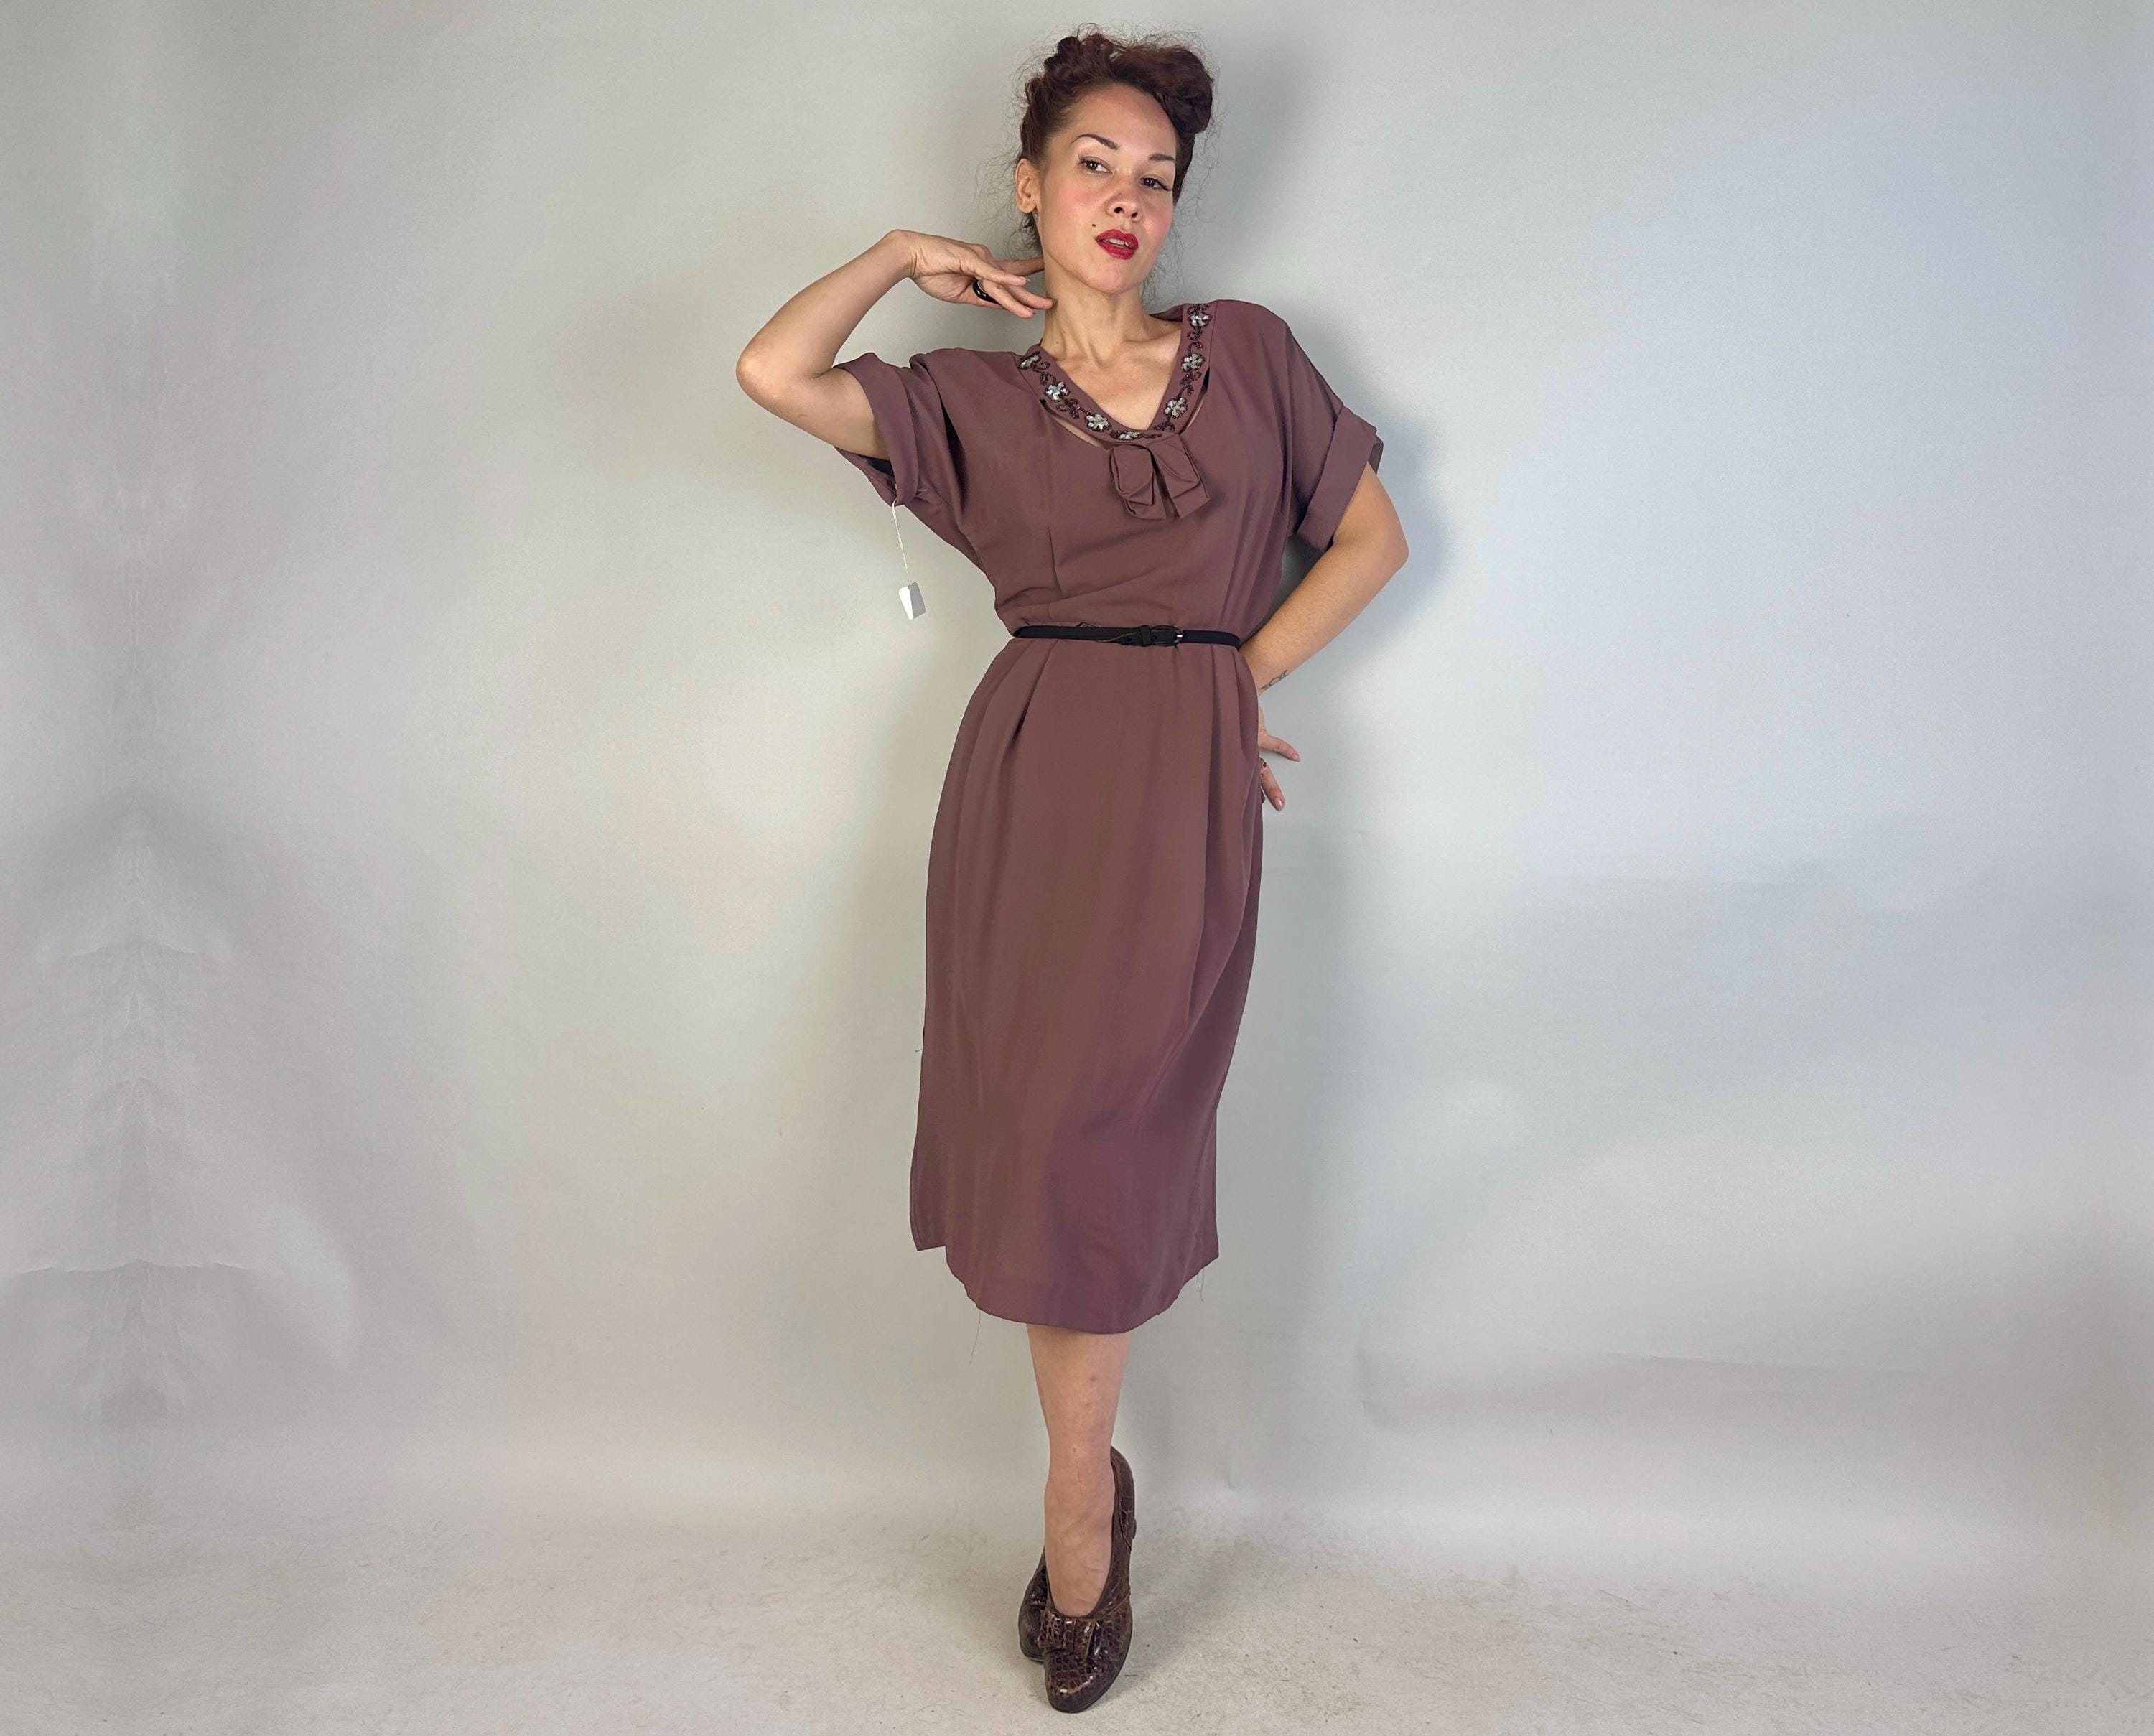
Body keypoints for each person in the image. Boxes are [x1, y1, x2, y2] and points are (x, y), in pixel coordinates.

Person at [737, 28, 1408, 1712]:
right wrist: (900, 256)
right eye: (1093, 164)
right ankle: (1086, 1487)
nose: (1126, 198)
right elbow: (772, 369)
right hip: (1032, 782)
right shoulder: (968, 399)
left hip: (1178, 784)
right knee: (1045, 1134)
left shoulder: (1250, 356)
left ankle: (1073, 1500)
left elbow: (1370, 537)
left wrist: (1228, 686)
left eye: (1155, 177)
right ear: (1029, 188)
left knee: (1110, 1133)